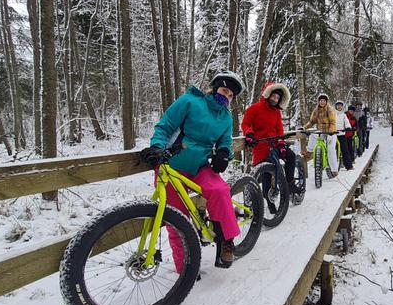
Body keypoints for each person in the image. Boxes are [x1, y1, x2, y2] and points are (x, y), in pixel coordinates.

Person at [139, 71, 243, 270]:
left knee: (220, 191)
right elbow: (165, 126)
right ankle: (185, 267)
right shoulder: (189, 101)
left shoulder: (226, 117)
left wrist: (223, 153)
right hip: (172, 164)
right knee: (176, 218)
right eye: (224, 90)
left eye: (231, 96)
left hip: (200, 166)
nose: (226, 97)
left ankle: (226, 241)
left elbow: (226, 141)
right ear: (214, 88)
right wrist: (157, 148)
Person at [241, 81, 297, 213]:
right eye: (273, 96)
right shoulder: (254, 109)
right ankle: (269, 201)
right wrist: (249, 134)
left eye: (277, 98)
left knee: (290, 156)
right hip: (261, 146)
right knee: (267, 172)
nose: (275, 99)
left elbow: (279, 129)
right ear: (268, 94)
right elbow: (245, 124)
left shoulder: (276, 112)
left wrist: (282, 144)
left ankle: (289, 183)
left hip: (274, 144)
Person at [303, 93, 339, 177]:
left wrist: (330, 132)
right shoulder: (316, 110)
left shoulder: (330, 109)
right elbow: (312, 121)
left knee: (330, 149)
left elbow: (333, 122)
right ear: (319, 101)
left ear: (326, 102)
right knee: (313, 135)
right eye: (321, 100)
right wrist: (304, 127)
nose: (322, 102)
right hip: (321, 131)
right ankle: (309, 152)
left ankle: (334, 170)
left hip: (331, 132)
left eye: (324, 101)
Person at [334, 100, 354, 170]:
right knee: (332, 150)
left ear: (342, 107)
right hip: (333, 134)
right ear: (336, 106)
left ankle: (349, 166)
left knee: (345, 150)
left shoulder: (344, 115)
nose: (339, 107)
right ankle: (332, 167)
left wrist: (348, 127)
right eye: (338, 105)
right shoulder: (333, 114)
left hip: (342, 134)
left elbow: (347, 122)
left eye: (340, 105)